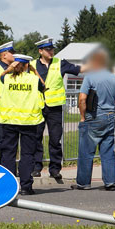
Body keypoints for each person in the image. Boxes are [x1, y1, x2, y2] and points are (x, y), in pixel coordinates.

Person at [32, 37, 87, 179]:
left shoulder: (60, 63)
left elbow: (79, 69)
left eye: (52, 49)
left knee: (55, 139)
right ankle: (36, 167)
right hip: (37, 107)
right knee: (36, 138)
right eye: (48, 49)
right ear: (40, 51)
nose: (51, 51)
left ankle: (55, 169)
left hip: (55, 108)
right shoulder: (31, 65)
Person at [73, 49, 115, 190]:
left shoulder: (90, 77)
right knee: (107, 151)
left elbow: (82, 98)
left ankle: (84, 183)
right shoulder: (114, 79)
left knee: (86, 151)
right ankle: (110, 182)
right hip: (109, 117)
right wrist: (112, 111)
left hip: (93, 117)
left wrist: (83, 117)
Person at [0, 54, 45, 196]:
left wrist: (8, 69)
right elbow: (44, 87)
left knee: (8, 154)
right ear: (26, 66)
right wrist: (34, 71)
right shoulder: (33, 79)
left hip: (9, 121)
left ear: (13, 65)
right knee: (27, 154)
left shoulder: (6, 78)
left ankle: (9, 186)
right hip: (28, 122)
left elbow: (1, 76)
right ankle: (25, 186)